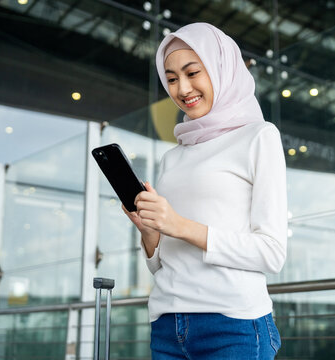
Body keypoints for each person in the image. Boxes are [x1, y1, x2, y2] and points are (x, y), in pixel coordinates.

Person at [122, 22, 287, 359]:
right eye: (171, 79)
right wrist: (151, 236)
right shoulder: (173, 156)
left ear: (221, 69)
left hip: (233, 325)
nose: (182, 89)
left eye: (193, 72)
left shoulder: (259, 136)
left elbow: (272, 253)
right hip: (167, 325)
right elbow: (160, 265)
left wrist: (180, 225)